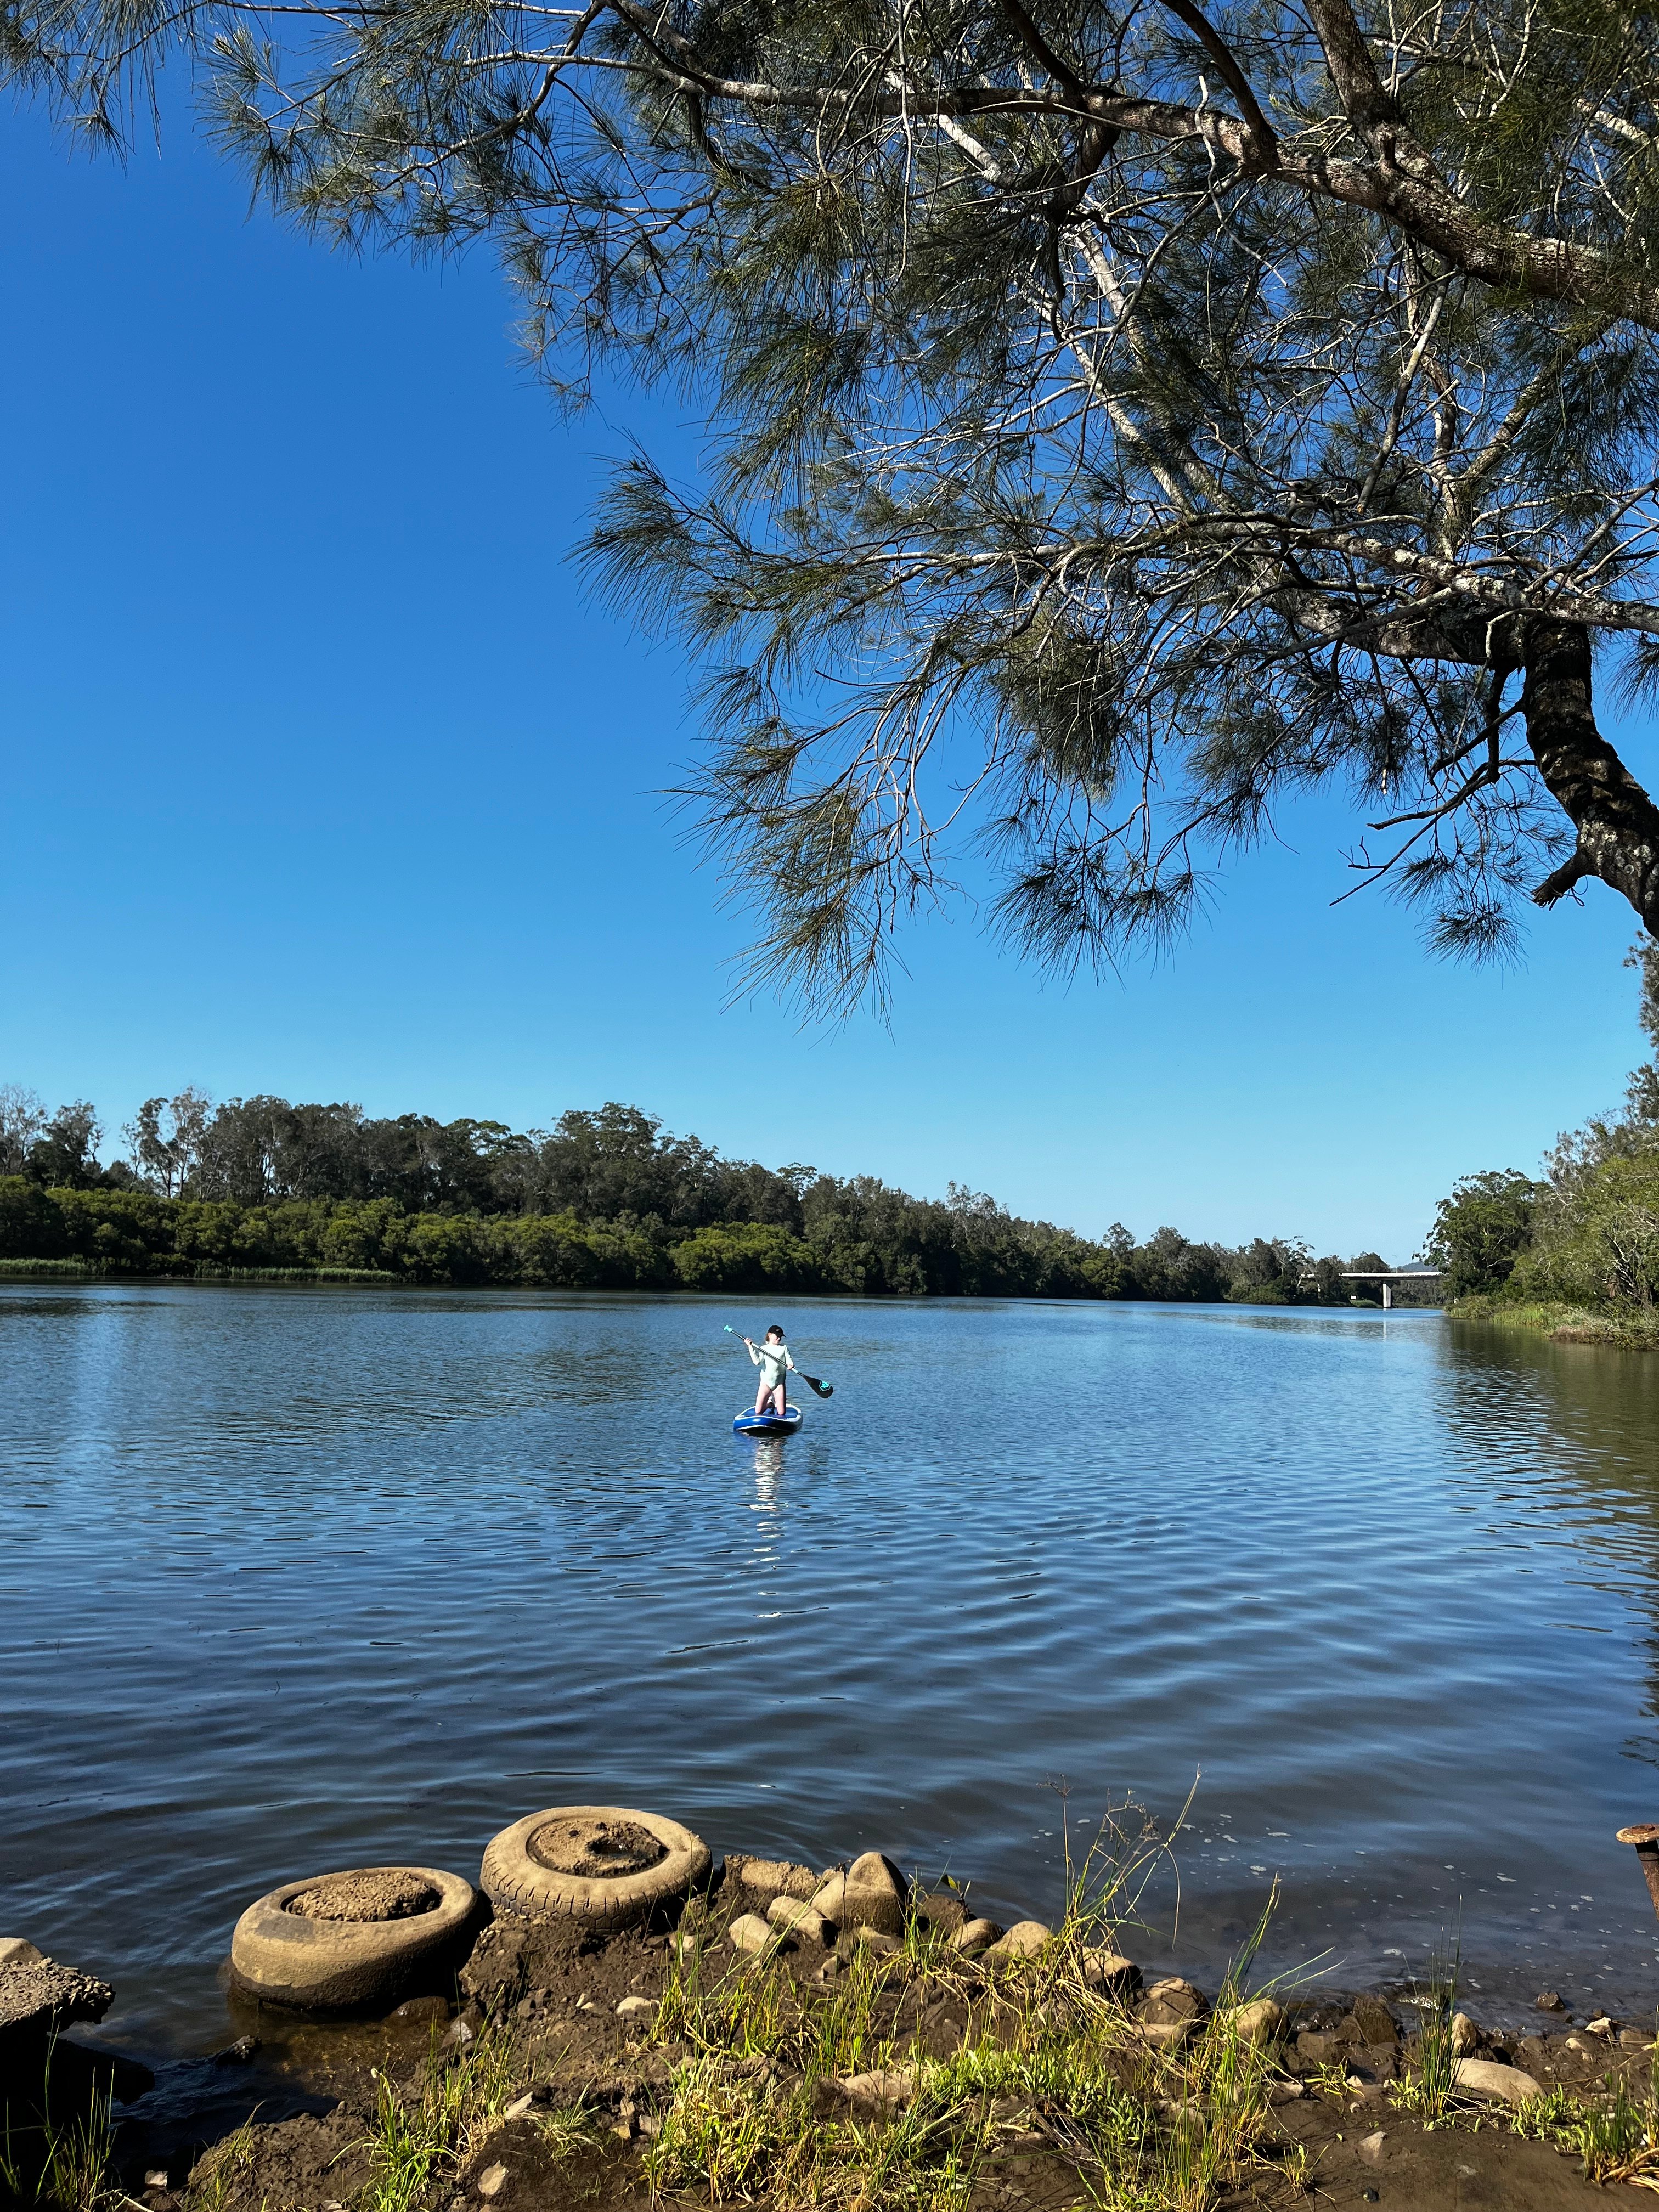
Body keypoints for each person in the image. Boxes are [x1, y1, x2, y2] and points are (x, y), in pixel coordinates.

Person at [743, 1325, 796, 1417]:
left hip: (779, 1384)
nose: (779, 1338)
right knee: (758, 1411)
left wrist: (791, 1365)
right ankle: (770, 1404)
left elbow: (789, 1360)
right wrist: (750, 1347)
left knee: (782, 1413)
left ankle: (773, 1402)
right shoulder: (763, 1348)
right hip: (766, 1383)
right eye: (777, 1336)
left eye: (781, 1337)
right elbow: (757, 1362)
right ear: (770, 1335)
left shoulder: (784, 1348)